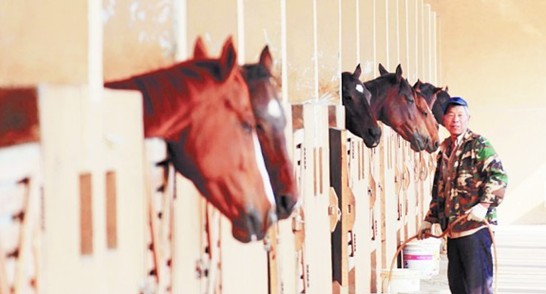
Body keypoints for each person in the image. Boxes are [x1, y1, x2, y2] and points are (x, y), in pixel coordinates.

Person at [417, 96, 508, 294]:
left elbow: (499, 177)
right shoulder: (445, 149)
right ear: (444, 120)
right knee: (458, 286)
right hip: (453, 229)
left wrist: (484, 206)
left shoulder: (478, 144)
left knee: (478, 287)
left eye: (460, 115)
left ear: (468, 118)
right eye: (450, 115)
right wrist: (429, 220)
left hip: (475, 229)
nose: (455, 119)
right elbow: (438, 189)